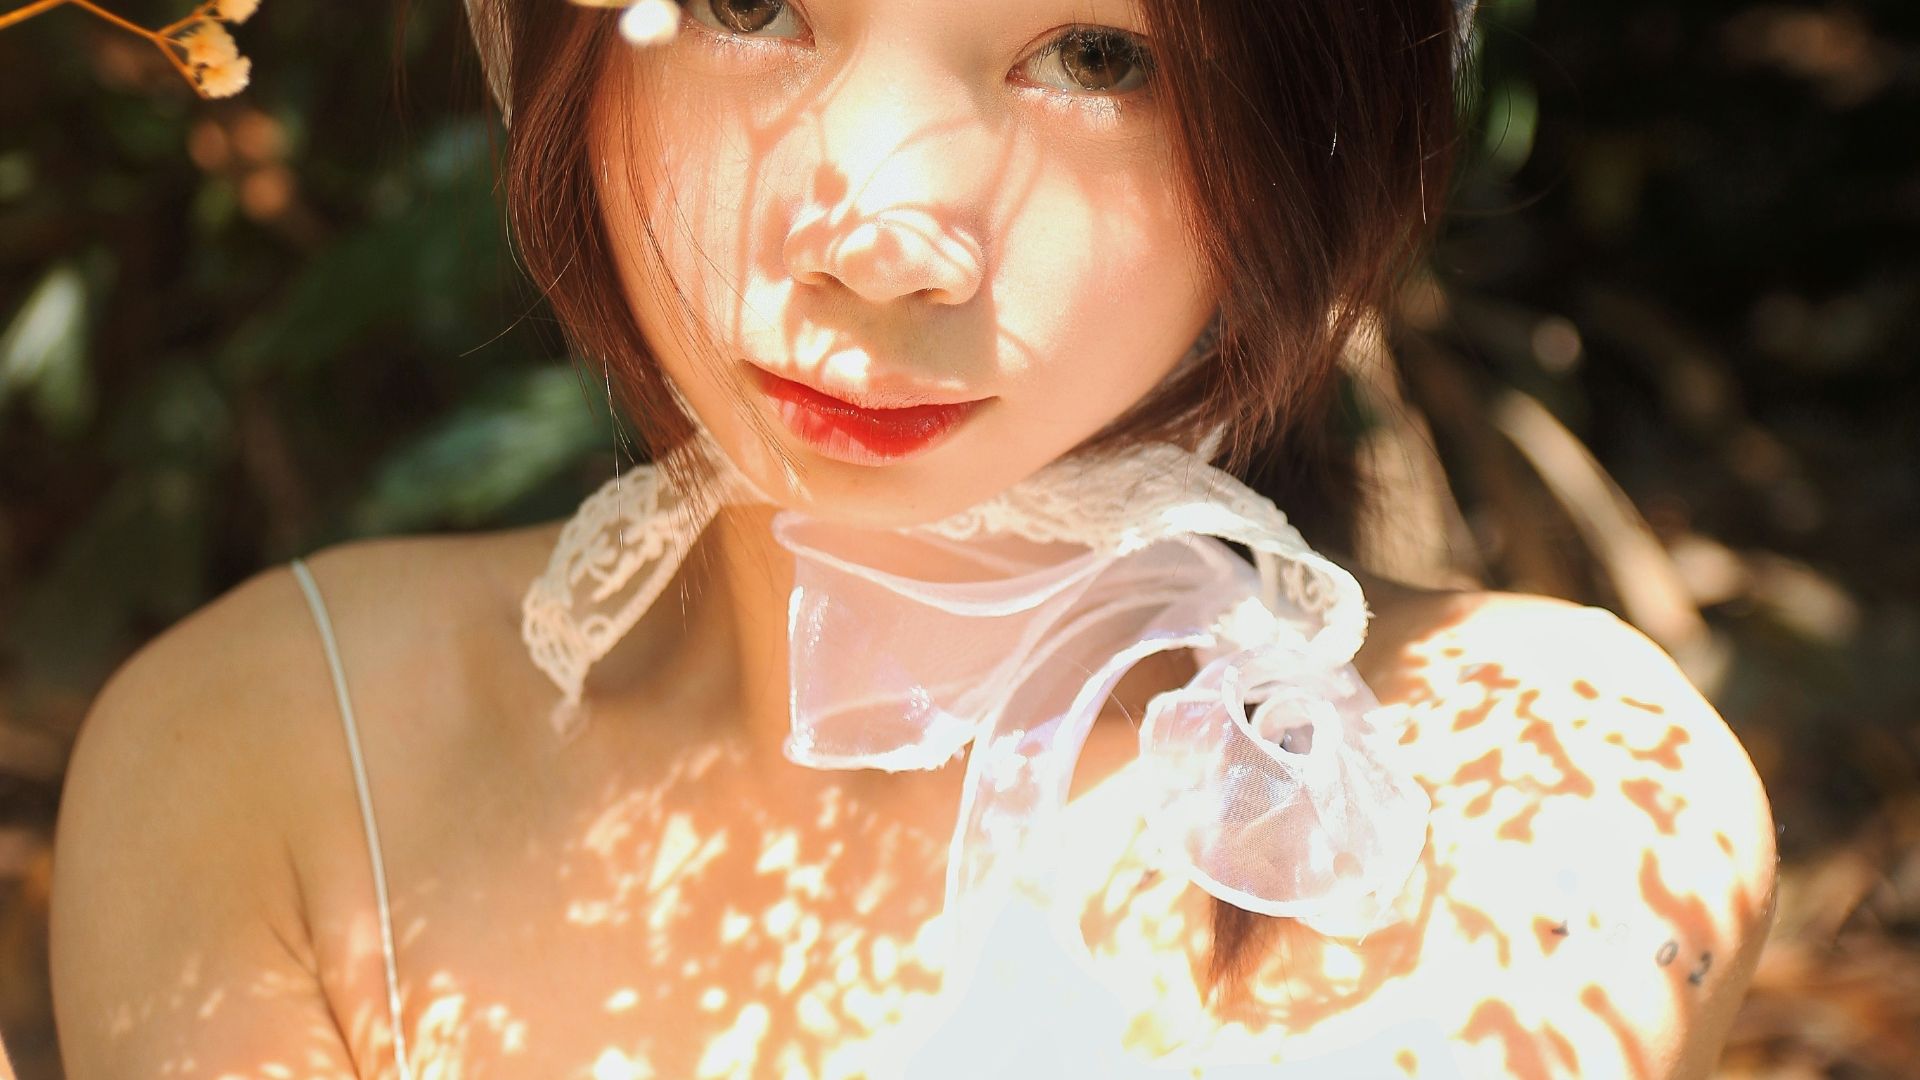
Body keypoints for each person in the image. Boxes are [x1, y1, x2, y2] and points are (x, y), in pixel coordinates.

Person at [47, 0, 1777, 1076]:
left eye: (1099, 54)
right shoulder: (264, 761)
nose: (884, 242)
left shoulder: (1541, 790)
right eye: (752, 2)